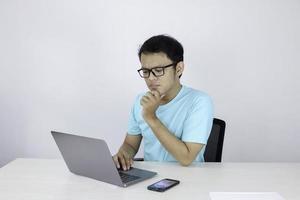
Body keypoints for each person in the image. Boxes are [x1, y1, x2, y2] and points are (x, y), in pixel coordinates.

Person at [113, 35, 213, 170]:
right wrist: (123, 155)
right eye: (145, 71)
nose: (151, 78)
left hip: (189, 179)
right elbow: (130, 145)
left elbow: (187, 157)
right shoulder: (140, 101)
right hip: (150, 178)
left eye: (158, 71)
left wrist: (151, 117)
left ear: (179, 69)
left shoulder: (199, 101)